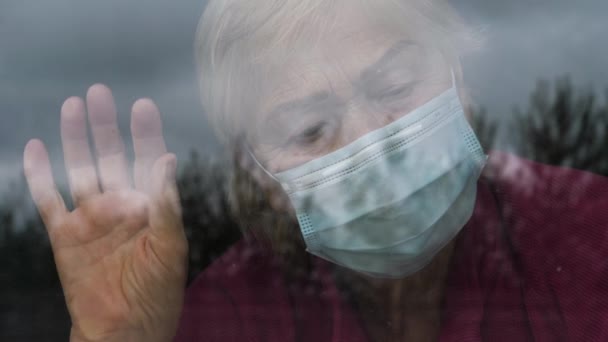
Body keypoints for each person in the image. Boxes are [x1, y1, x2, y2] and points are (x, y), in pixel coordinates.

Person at [22, 0, 608, 341]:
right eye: (308, 131)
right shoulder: (232, 314)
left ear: (460, 82)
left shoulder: (588, 233)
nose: (372, 143)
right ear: (260, 177)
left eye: (397, 87)